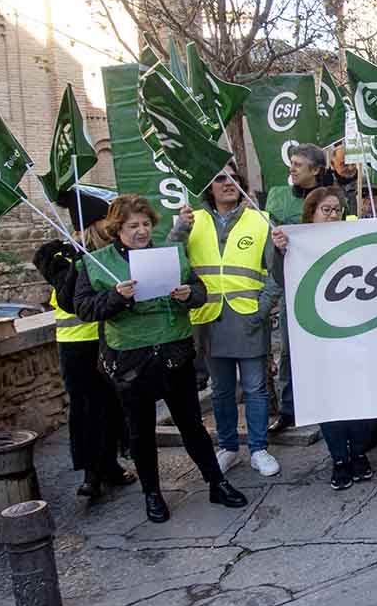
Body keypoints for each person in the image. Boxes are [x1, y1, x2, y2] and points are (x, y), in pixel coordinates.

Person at [73, 195, 248, 523]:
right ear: (117, 229)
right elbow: (84, 308)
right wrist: (115, 297)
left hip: (174, 354)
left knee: (191, 424)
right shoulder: (96, 262)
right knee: (140, 430)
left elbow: (200, 291)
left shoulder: (171, 254)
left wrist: (188, 295)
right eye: (132, 226)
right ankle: (152, 494)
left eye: (145, 224)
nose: (141, 231)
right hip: (130, 360)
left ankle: (216, 482)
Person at [171, 163, 281, 479]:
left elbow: (274, 272)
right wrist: (179, 229)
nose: (227, 182)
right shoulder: (193, 220)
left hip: (248, 316)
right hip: (208, 318)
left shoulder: (259, 220)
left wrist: (261, 310)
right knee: (221, 390)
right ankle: (229, 447)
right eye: (220, 177)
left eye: (233, 177)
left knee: (255, 388)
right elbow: (172, 261)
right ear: (210, 187)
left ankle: (259, 449)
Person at [269, 187, 376, 490]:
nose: (332, 215)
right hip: (315, 334)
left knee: (356, 396)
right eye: (326, 210)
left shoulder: (352, 236)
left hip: (355, 330)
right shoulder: (294, 242)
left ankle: (358, 452)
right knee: (328, 398)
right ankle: (339, 458)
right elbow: (279, 278)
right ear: (311, 213)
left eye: (337, 210)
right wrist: (280, 251)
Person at [33, 220, 136, 500]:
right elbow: (47, 266)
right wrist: (73, 253)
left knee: (110, 406)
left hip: (107, 339)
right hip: (77, 344)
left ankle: (109, 464)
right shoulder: (67, 258)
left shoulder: (109, 258)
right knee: (85, 410)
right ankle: (91, 472)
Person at [264, 143, 326, 434]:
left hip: (327, 283)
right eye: (292, 162)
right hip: (292, 283)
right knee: (289, 350)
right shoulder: (277, 197)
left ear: (316, 170)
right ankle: (289, 411)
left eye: (299, 164)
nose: (292, 168)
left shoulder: (331, 199)